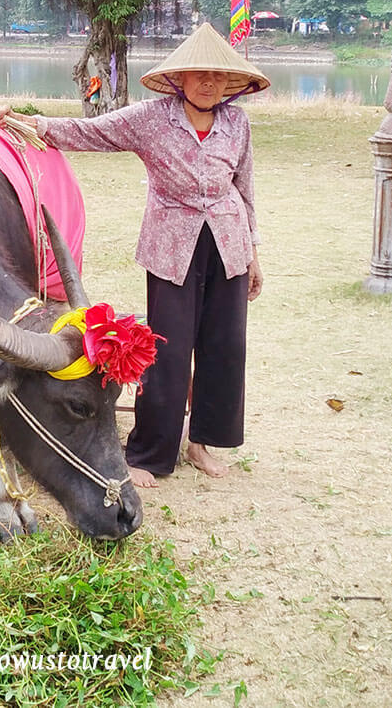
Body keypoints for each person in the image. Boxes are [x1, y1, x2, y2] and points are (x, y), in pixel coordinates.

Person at [25, 24, 268, 488]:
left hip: (228, 243)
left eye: (218, 76)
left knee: (224, 346)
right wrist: (34, 125)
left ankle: (202, 442)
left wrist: (254, 252)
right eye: (200, 75)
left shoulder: (238, 124)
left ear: (231, 82)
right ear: (180, 78)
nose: (210, 83)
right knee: (167, 350)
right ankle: (150, 452)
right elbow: (91, 131)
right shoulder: (152, 118)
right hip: (171, 245)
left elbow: (245, 189)